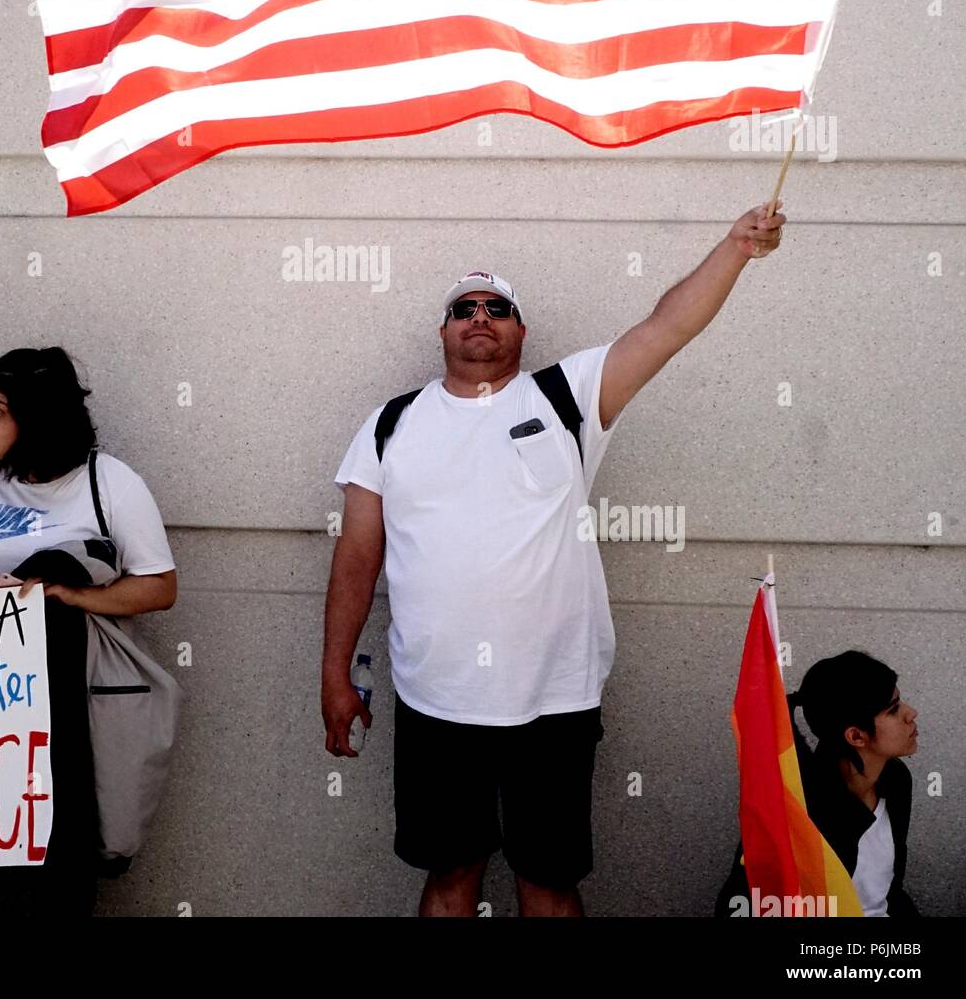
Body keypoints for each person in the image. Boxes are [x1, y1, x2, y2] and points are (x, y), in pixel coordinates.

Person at [322, 202, 786, 917]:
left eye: (497, 307)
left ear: (520, 329)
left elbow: (667, 327)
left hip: (554, 699)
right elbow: (356, 555)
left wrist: (734, 247)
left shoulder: (566, 397)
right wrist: (334, 676)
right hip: (434, 699)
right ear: (443, 331)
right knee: (449, 877)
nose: (480, 316)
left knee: (548, 882)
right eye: (463, 308)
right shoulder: (391, 423)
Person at [0, 346, 177, 915]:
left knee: (56, 845)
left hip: (66, 701)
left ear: (39, 416)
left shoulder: (108, 482)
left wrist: (73, 595)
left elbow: (159, 586)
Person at [716, 650, 921, 918]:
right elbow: (738, 904)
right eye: (893, 710)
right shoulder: (799, 808)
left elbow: (889, 891)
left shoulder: (896, 780)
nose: (911, 713)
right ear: (856, 736)